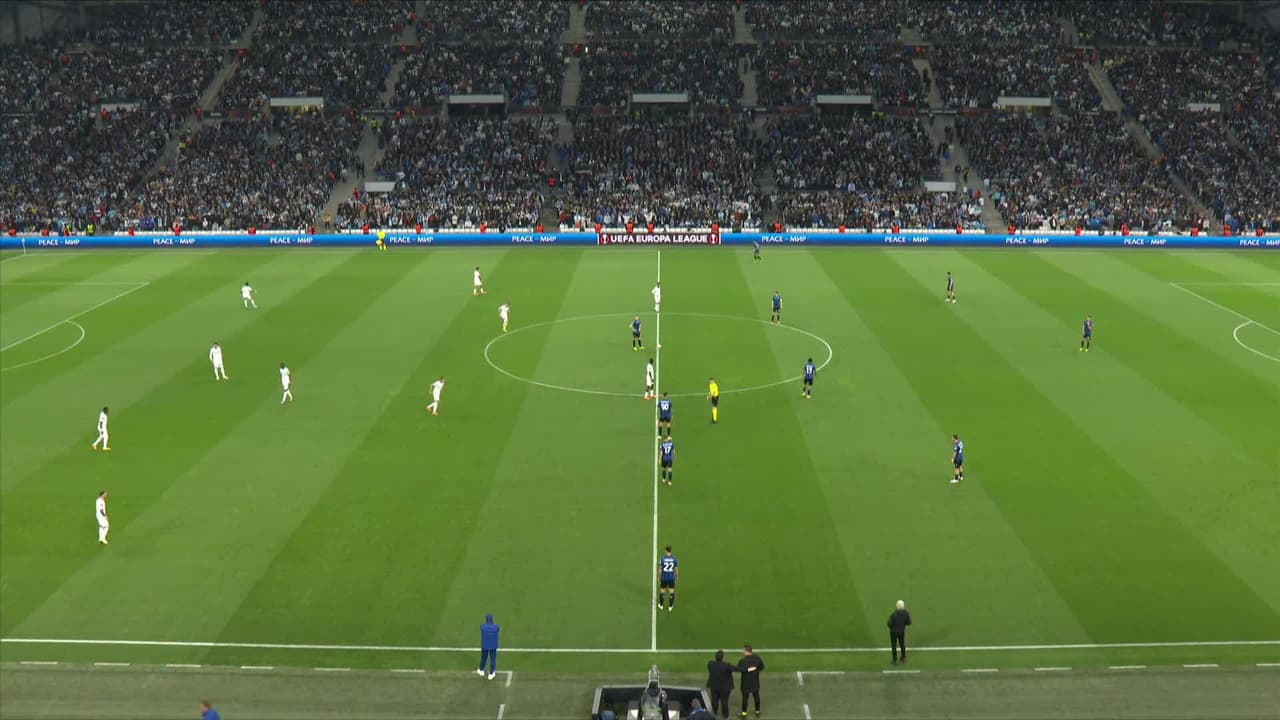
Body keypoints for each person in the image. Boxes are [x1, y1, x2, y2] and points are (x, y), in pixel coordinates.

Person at [706, 649, 736, 719]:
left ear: (715, 657)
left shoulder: (711, 664)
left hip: (714, 686)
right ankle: (725, 716)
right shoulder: (727, 665)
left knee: (714, 701)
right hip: (725, 688)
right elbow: (736, 668)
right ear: (722, 657)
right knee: (724, 702)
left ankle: (713, 714)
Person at [737, 645, 764, 718]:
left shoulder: (742, 661)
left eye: (744, 651)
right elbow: (762, 667)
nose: (743, 652)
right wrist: (755, 671)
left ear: (746, 651)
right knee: (756, 696)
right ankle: (757, 712)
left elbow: (739, 669)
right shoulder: (757, 658)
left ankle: (744, 714)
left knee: (745, 698)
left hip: (745, 683)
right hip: (755, 681)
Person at [888, 599, 911, 664]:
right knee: (902, 644)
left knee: (894, 646)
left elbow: (889, 624)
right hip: (901, 631)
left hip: (893, 632)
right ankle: (903, 657)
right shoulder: (906, 613)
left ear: (897, 606)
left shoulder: (893, 614)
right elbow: (909, 623)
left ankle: (894, 659)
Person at [477, 613, 499, 679]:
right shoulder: (496, 626)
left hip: (485, 645)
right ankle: (491, 673)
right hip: (493, 645)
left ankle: (481, 670)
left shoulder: (482, 626)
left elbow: (482, 628)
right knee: (493, 659)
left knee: (483, 658)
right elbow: (498, 630)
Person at [657, 545, 678, 611]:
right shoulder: (674, 559)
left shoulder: (662, 559)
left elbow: (660, 569)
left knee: (662, 591)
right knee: (671, 592)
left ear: (665, 550)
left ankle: (661, 605)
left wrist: (658, 577)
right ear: (671, 550)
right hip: (671, 578)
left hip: (664, 578)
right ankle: (670, 606)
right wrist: (676, 577)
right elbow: (676, 569)